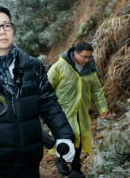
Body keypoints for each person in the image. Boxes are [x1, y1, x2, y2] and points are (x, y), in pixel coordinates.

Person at [0, 6, 75, 178]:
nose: (2, 31)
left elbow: (49, 104)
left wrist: (64, 136)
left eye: (6, 25)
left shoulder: (33, 66)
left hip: (28, 161)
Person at [47, 42, 109, 178]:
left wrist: (102, 107)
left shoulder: (90, 70)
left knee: (79, 138)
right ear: (75, 53)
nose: (87, 60)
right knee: (65, 137)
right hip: (62, 111)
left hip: (81, 112)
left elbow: (96, 89)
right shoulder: (59, 67)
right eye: (84, 57)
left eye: (89, 57)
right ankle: (61, 160)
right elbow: (47, 87)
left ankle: (76, 168)